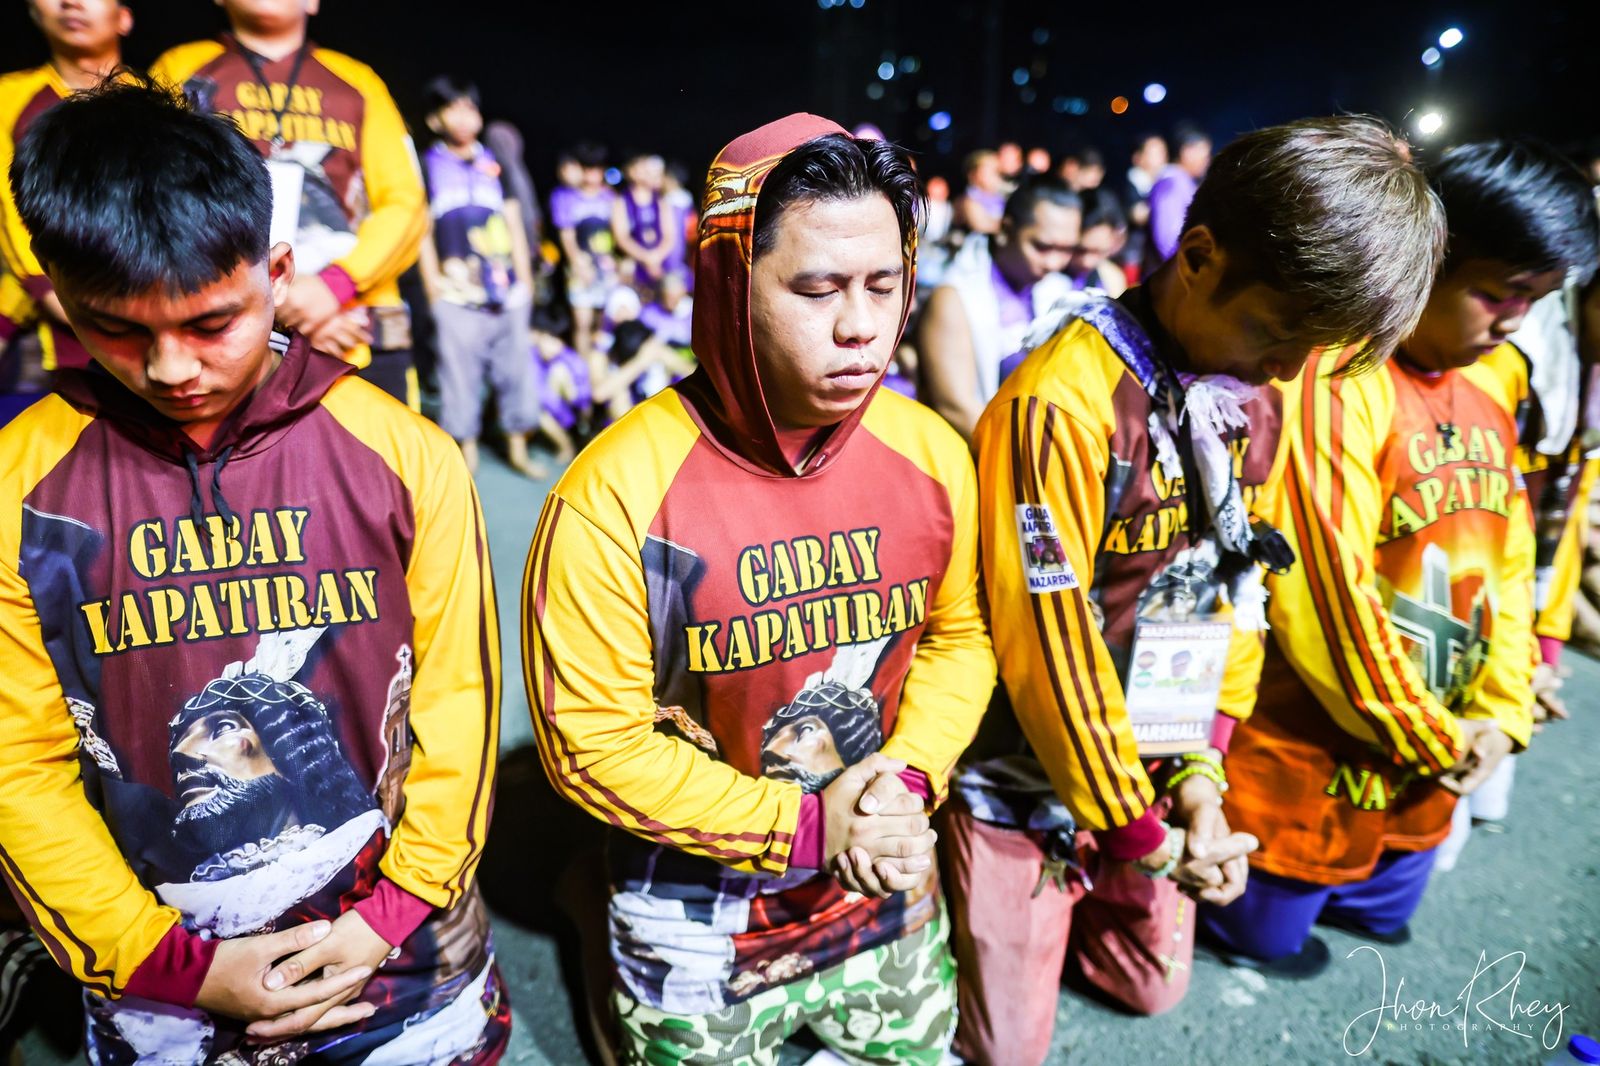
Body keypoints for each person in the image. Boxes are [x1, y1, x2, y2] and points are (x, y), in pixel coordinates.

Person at [0, 79, 506, 1064]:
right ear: (57, 296)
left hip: (396, 939)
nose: (171, 367)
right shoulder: (22, 484)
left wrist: (390, 913)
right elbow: (19, 769)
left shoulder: (403, 454)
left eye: (210, 321)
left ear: (276, 271)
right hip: (156, 960)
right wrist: (165, 959)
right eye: (118, 328)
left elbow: (460, 706)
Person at [955, 116, 1446, 1064]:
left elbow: (1232, 592)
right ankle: (962, 884)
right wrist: (1139, 831)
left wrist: (1202, 778)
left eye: (1320, 350)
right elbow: (1048, 653)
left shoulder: (1251, 387)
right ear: (1201, 254)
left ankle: (1063, 902)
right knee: (1008, 1050)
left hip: (1150, 762)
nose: (1292, 372)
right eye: (1281, 333)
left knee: (1151, 987)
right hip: (1024, 765)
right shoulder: (1060, 404)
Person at [523, 115, 994, 1065]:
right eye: (818, 289)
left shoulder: (934, 454)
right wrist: (809, 824)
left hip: (875, 858)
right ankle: (591, 911)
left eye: (884, 285)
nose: (862, 327)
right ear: (730, 288)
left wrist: (904, 784)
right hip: (691, 886)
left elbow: (957, 639)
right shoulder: (614, 493)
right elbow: (592, 746)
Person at [1200, 138, 1597, 971]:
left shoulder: (1501, 377)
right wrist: (1438, 735)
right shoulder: (1337, 382)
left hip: (1431, 752)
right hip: (1320, 749)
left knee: (1384, 919)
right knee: (1271, 937)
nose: (1515, 321)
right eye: (1497, 293)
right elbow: (1326, 600)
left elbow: (1511, 556)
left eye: (1537, 299)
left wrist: (1504, 706)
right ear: (1424, 264)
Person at [150, 0, 428, 410]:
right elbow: (154, 196)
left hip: (350, 330)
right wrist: (265, 302)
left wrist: (334, 288)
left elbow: (405, 202)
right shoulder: (180, 68)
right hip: (222, 332)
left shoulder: (358, 80)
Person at [416, 76, 544, 478]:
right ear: (436, 119)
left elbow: (512, 220)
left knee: (516, 370)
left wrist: (524, 281)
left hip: (506, 290)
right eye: (453, 108)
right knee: (458, 374)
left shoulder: (494, 162)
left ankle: (517, 448)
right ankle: (465, 450)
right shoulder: (427, 164)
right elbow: (420, 229)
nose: (464, 115)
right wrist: (433, 287)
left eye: (469, 107)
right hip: (455, 293)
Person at [0, 0, 132, 379]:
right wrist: (47, 291)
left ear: (125, 17)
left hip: (147, 304)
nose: (70, 2)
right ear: (33, 13)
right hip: (53, 311)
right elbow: (10, 211)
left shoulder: (155, 96)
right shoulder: (10, 96)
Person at [918, 178, 1081, 442]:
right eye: (1041, 246)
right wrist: (1019, 465)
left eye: (1066, 250)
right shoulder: (954, 294)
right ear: (1005, 229)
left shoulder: (1060, 289)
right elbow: (957, 408)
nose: (1054, 262)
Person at [551, 141, 618, 359]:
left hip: (607, 268)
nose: (592, 174)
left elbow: (619, 233)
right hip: (580, 268)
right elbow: (566, 234)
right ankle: (583, 369)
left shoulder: (611, 197)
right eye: (587, 168)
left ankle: (603, 367)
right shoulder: (564, 197)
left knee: (605, 323)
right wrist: (578, 264)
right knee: (582, 322)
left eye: (597, 168)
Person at [612, 152, 681, 299]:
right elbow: (621, 237)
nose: (649, 172)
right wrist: (646, 258)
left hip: (660, 263)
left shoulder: (661, 201)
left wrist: (657, 256)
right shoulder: (621, 201)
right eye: (643, 168)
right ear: (632, 172)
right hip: (634, 264)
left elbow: (670, 235)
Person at [1144, 124, 1212, 270]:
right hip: (1171, 277)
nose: (1207, 161)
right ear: (1186, 152)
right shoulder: (1171, 184)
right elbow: (1168, 239)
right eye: (1204, 155)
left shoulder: (1184, 182)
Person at [1065, 187, 1129, 296]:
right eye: (1080, 250)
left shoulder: (1112, 280)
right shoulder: (1045, 276)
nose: (1087, 262)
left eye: (1098, 252)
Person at [958, 149, 1006, 235]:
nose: (998, 174)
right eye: (993, 170)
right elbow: (982, 225)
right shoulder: (969, 200)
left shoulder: (1000, 197)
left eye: (999, 170)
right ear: (973, 174)